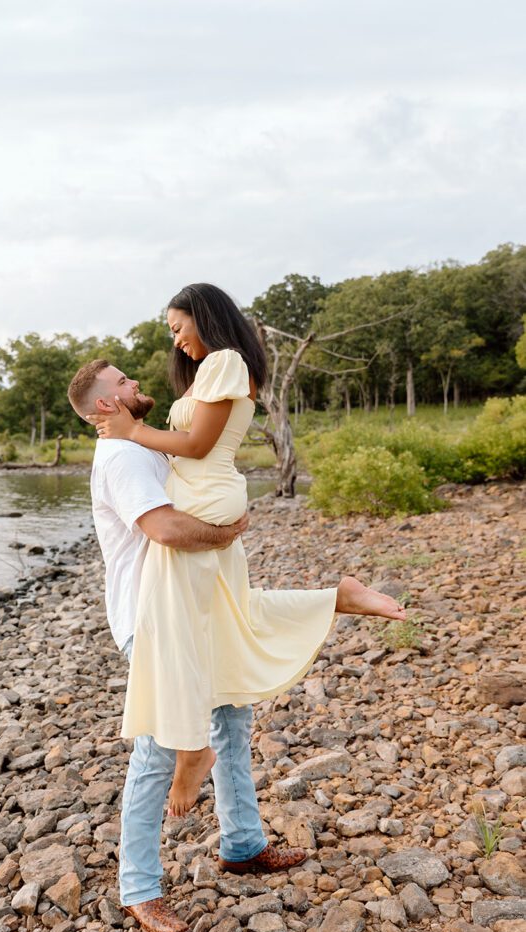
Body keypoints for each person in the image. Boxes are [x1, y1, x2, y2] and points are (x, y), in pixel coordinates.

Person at [86, 283, 406, 821]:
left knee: (182, 633)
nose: (176, 341)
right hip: (208, 500)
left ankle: (191, 753)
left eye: (177, 327)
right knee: (237, 616)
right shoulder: (215, 370)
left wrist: (135, 429)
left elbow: (197, 446)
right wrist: (135, 434)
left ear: (204, 318)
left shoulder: (226, 361)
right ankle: (336, 598)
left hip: (207, 499)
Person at [68, 359, 309, 932]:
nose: (134, 384)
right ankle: (139, 889)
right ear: (105, 404)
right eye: (123, 383)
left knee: (231, 716)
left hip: (192, 608)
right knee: (158, 745)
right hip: (151, 619)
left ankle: (243, 845)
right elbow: (168, 529)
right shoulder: (122, 456)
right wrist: (228, 532)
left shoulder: (141, 444)